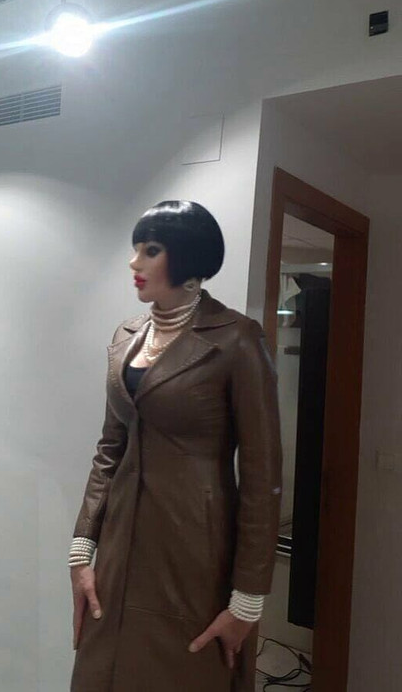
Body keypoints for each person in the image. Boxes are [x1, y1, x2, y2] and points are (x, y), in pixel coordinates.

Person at [68, 201, 282, 692]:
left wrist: (248, 599)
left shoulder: (238, 339)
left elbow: (262, 475)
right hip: (119, 545)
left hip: (194, 552)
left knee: (182, 673)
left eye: (151, 250)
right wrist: (83, 548)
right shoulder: (127, 336)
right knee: (101, 673)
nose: (134, 262)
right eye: (135, 249)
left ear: (187, 257)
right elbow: (110, 448)